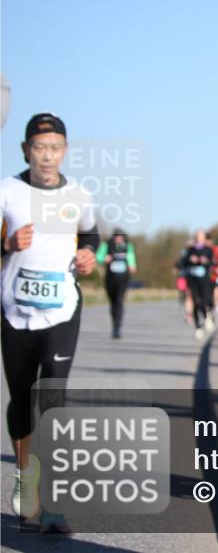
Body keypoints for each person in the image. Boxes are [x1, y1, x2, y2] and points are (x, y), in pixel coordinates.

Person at [1, 113, 98, 534]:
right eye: (39, 147)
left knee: (52, 399)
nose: (47, 155)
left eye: (55, 147)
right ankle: (26, 480)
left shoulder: (78, 195)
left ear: (65, 150)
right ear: (26, 150)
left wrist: (88, 256)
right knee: (22, 399)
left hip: (62, 310)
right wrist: (6, 243)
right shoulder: (7, 191)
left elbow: (91, 235)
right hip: (14, 312)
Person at [95, 227, 136, 339]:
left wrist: (132, 265)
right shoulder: (106, 245)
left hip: (123, 278)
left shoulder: (127, 245)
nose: (118, 238)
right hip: (110, 278)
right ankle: (114, 324)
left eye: (120, 236)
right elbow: (98, 257)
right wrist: (104, 259)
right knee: (113, 302)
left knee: (119, 300)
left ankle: (117, 327)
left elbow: (131, 257)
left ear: (123, 237)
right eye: (116, 236)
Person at [182, 229, 215, 340]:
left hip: (204, 280)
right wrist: (191, 259)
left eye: (201, 236)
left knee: (204, 301)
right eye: (197, 236)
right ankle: (198, 327)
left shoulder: (208, 250)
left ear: (204, 238)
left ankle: (206, 317)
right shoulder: (190, 249)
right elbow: (183, 263)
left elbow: (212, 262)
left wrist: (205, 261)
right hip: (193, 280)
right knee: (195, 301)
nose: (199, 237)